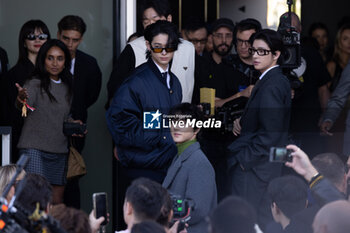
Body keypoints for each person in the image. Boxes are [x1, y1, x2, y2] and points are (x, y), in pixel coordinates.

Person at [228, 29, 291, 229]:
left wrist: (244, 161)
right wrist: (244, 120)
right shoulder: (271, 80)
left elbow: (270, 134)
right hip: (263, 167)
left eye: (262, 52)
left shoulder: (272, 84)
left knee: (247, 223)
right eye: (254, 50)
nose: (255, 55)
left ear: (276, 54)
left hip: (256, 169)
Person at [192, 18, 251, 201]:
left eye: (227, 36)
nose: (223, 40)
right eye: (219, 36)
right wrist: (239, 96)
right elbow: (209, 104)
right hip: (207, 139)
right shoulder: (201, 66)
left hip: (233, 140)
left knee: (230, 191)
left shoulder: (237, 67)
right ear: (211, 38)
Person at [16, 39, 74, 204]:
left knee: (56, 203)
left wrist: (74, 123)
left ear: (65, 62)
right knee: (35, 201)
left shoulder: (67, 86)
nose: (55, 63)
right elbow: (27, 106)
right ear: (43, 60)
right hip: (34, 149)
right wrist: (22, 99)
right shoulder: (34, 83)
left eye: (60, 58)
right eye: (50, 58)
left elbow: (63, 116)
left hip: (59, 150)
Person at [107, 0, 195, 105]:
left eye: (155, 20)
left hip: (181, 118)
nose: (150, 25)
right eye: (146, 22)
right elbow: (116, 89)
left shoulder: (188, 48)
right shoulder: (133, 48)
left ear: (169, 19)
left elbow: (194, 85)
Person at [57, 14, 102, 209]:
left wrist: (77, 112)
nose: (70, 44)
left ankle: (74, 225)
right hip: (49, 130)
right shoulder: (50, 59)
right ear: (59, 35)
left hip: (75, 131)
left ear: (81, 39)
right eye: (66, 38)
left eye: (75, 40)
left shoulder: (89, 64)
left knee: (72, 180)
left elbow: (91, 95)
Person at [281, 12, 331, 158]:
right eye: (286, 29)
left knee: (311, 165)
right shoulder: (273, 54)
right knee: (283, 165)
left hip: (309, 125)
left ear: (301, 29)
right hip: (283, 127)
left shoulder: (311, 53)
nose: (290, 33)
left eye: (293, 29)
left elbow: (323, 89)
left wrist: (326, 116)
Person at [162, 103, 217, 233]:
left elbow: (197, 209)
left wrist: (164, 212)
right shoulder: (180, 156)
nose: (176, 127)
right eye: (173, 121)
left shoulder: (199, 162)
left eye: (183, 123)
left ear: (196, 128)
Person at [0, 20, 50, 162]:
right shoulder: (12, 76)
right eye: (31, 36)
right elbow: (6, 114)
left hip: (53, 142)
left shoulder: (54, 72)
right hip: (23, 140)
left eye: (42, 36)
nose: (37, 40)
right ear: (23, 42)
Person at [224, 18, 262, 82]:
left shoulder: (265, 65)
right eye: (240, 41)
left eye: (248, 41)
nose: (243, 46)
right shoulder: (226, 65)